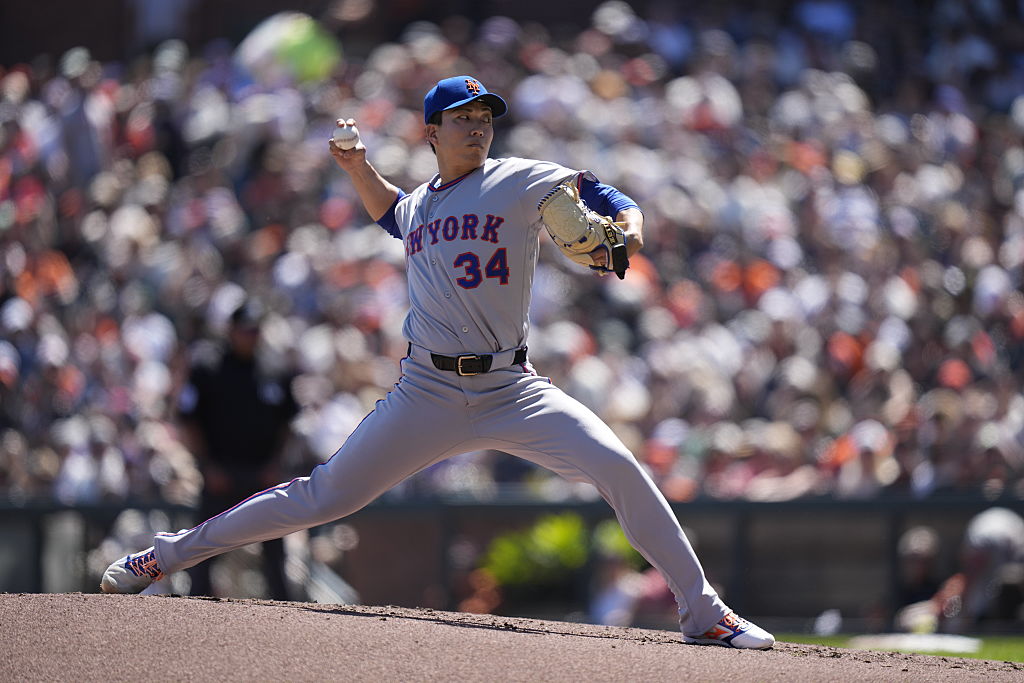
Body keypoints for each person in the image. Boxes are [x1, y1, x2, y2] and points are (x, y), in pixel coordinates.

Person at [101, 75, 774, 650]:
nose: (479, 129)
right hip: (425, 389)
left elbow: (612, 200)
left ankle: (703, 612)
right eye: (464, 119)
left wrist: (627, 231)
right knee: (322, 495)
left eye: (486, 119)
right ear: (432, 131)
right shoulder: (420, 205)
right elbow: (392, 212)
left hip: (513, 386)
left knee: (619, 466)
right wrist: (356, 166)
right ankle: (164, 555)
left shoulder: (521, 178)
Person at [176, 298, 298, 600]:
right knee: (203, 551)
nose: (251, 336)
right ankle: (191, 613)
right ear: (230, 331)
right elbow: (187, 419)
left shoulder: (275, 368)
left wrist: (275, 464)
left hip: (262, 475)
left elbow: (288, 422)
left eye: (256, 330)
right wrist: (207, 465)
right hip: (222, 474)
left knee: (275, 554)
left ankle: (285, 616)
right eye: (245, 330)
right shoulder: (208, 366)